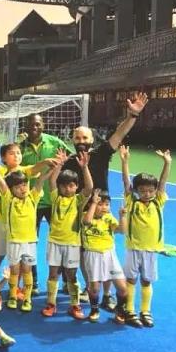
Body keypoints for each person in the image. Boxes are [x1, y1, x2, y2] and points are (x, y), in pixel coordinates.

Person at [62, 91, 149, 307]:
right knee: (84, 253)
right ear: (72, 140)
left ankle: (108, 293)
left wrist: (133, 115)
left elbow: (119, 134)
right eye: (77, 138)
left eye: (85, 138)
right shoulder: (69, 162)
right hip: (80, 212)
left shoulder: (101, 154)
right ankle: (88, 285)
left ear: (92, 140)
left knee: (106, 251)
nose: (81, 141)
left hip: (101, 209)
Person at [0, 158, 51, 312]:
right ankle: (13, 296)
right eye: (18, 187)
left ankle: (27, 299)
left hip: (29, 242)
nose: (23, 188)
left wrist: (54, 168)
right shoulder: (9, 200)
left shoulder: (33, 197)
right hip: (14, 242)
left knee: (27, 270)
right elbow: (2, 182)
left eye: (24, 185)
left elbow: (41, 180)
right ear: (11, 190)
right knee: (14, 271)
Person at [19, 113, 71, 292]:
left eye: (38, 124)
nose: (35, 127)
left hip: (53, 201)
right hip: (30, 203)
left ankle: (67, 281)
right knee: (29, 244)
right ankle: (32, 282)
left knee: (62, 242)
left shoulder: (55, 142)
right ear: (26, 125)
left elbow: (71, 160)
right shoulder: (20, 147)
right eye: (31, 124)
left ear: (43, 125)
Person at [119, 146, 171, 328]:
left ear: (155, 191)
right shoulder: (132, 202)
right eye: (142, 190)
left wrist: (167, 163)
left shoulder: (158, 202)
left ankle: (145, 311)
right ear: (136, 190)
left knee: (146, 280)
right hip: (133, 248)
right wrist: (125, 162)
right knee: (131, 279)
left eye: (150, 190)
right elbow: (126, 182)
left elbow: (163, 182)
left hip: (151, 250)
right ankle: (129, 309)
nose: (147, 194)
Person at [41, 151, 93, 319]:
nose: (67, 189)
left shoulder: (78, 200)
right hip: (54, 242)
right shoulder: (56, 198)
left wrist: (84, 167)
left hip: (72, 244)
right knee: (53, 274)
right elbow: (52, 180)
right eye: (64, 186)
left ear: (76, 187)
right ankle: (51, 304)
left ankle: (75, 305)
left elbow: (89, 188)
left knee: (71, 275)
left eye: (71, 185)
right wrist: (60, 164)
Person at [81, 189, 128, 324]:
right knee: (94, 289)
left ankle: (119, 309)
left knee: (123, 288)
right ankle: (94, 309)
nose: (104, 207)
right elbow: (87, 222)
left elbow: (122, 231)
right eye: (100, 204)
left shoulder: (108, 217)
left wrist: (122, 216)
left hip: (110, 255)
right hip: (92, 255)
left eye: (107, 204)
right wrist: (94, 203)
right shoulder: (85, 215)